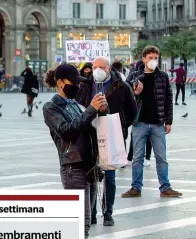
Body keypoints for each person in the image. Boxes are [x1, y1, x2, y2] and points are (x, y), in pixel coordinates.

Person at [43, 63, 107, 238]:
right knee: (80, 225)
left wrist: (100, 112)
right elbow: (67, 131)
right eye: (74, 82)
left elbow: (89, 130)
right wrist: (91, 110)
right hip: (73, 168)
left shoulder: (76, 105)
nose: (78, 86)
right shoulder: (51, 107)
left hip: (89, 167)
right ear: (61, 83)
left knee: (87, 223)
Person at [75, 56, 138, 227]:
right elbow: (78, 108)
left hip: (112, 133)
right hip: (90, 134)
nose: (97, 70)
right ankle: (92, 212)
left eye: (101, 66)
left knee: (109, 176)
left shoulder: (122, 86)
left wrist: (120, 124)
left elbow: (132, 112)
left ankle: (107, 212)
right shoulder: (85, 86)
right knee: (91, 175)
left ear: (109, 68)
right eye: (94, 66)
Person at [122, 45, 182, 198]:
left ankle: (165, 187)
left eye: (156, 58)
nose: (153, 61)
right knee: (137, 157)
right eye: (150, 58)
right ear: (144, 59)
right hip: (139, 123)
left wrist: (168, 121)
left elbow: (168, 99)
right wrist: (136, 93)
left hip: (158, 124)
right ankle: (136, 187)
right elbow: (125, 99)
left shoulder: (162, 76)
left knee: (161, 157)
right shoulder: (134, 76)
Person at [126, 60, 152, 166]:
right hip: (143, 109)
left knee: (135, 135)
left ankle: (130, 157)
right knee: (147, 137)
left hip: (137, 109)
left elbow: (126, 89)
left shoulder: (133, 75)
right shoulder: (139, 75)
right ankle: (146, 158)